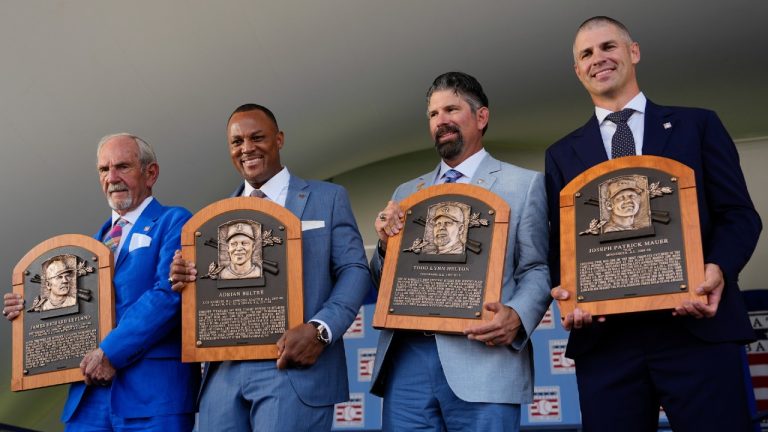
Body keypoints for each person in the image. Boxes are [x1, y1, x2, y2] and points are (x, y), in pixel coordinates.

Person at [546, 16, 763, 431]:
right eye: (586, 54)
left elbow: (739, 215)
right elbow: (561, 244)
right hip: (607, 343)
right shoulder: (561, 154)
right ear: (578, 70)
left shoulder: (698, 125)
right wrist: (569, 293)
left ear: (634, 51)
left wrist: (715, 269)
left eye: (608, 46)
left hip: (696, 327)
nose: (598, 59)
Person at [169, 104, 371, 432]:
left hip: (294, 367)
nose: (246, 148)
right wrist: (185, 280)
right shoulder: (211, 220)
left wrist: (320, 331)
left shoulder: (328, 198)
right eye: (237, 142)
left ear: (279, 139)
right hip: (224, 374)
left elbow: (355, 270)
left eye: (257, 137)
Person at [371, 72, 550, 431]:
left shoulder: (524, 184)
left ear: (481, 117)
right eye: (433, 114)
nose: (441, 121)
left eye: (451, 109)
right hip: (407, 362)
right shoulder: (407, 192)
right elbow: (380, 280)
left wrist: (516, 314)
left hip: (483, 361)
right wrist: (385, 246)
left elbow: (538, 268)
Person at [3, 133, 199, 430]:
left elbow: (167, 295)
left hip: (152, 397)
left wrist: (111, 352)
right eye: (104, 170)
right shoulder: (91, 245)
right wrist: (29, 310)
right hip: (88, 400)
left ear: (151, 173)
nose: (112, 177)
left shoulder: (175, 221)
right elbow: (72, 310)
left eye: (123, 166)